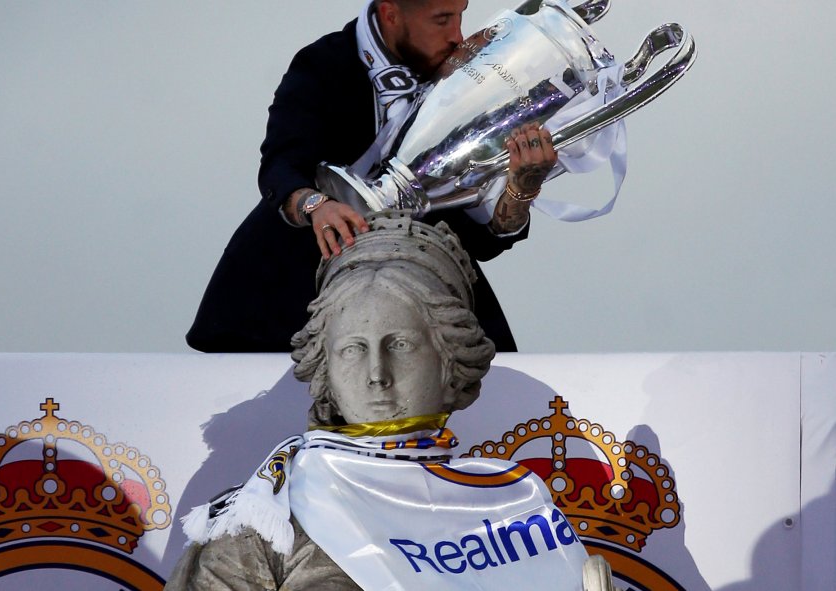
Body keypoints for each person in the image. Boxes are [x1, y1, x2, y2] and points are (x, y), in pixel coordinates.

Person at [167, 213, 614, 590]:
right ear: (324, 367)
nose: (377, 375)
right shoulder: (264, 520)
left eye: (399, 344)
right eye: (352, 349)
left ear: (449, 363)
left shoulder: (515, 508)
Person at [185, 0, 557, 353]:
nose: (457, 36)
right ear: (391, 14)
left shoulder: (468, 77)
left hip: (422, 295)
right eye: (442, 19)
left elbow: (481, 241)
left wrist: (522, 188)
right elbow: (281, 165)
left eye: (461, 15)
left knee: (488, 394)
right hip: (285, 295)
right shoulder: (324, 63)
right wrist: (317, 205)